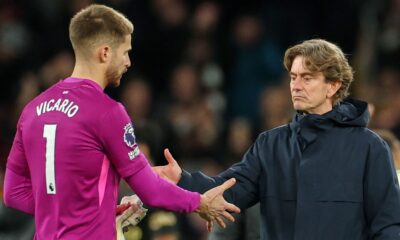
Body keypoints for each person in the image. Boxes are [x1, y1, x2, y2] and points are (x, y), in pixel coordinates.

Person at [2, 4, 240, 240]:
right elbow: (150, 190)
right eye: (125, 52)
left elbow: (13, 193)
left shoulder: (31, 110)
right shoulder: (107, 112)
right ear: (105, 52)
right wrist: (200, 202)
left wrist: (87, 213)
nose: (128, 62)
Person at [154, 39, 400, 240]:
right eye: (293, 77)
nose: (296, 85)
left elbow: (388, 225)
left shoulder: (369, 147)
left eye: (307, 77)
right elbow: (228, 190)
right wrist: (182, 179)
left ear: (333, 86)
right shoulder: (270, 144)